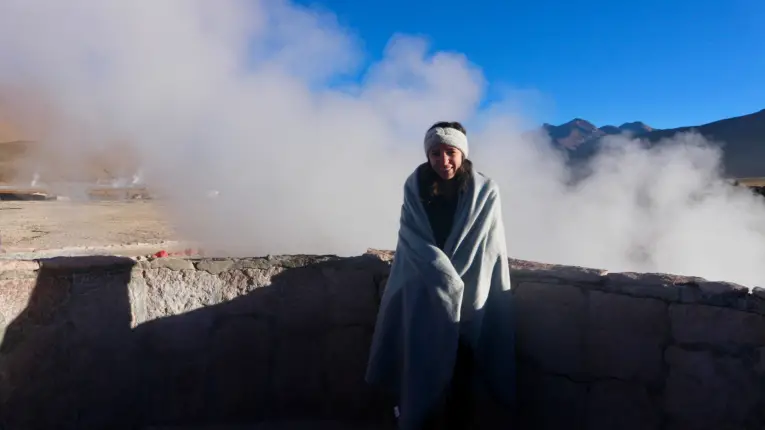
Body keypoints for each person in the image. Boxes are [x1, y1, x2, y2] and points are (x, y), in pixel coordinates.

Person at [366, 121, 517, 429]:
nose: (443, 161)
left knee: (462, 373)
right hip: (423, 289)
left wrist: (455, 286)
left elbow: (484, 246)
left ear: (462, 153)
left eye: (450, 152)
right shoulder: (416, 186)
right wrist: (443, 280)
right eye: (435, 153)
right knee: (420, 363)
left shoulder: (485, 191)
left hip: (471, 292)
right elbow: (411, 236)